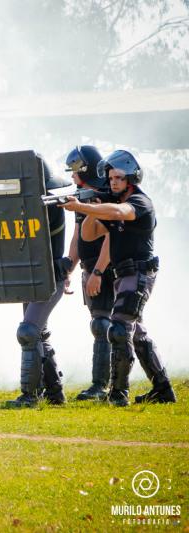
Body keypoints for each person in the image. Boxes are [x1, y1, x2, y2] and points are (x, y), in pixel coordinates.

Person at [61, 149, 176, 406]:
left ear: (131, 179)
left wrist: (81, 205)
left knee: (119, 328)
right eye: (111, 177)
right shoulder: (108, 202)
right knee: (137, 334)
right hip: (124, 274)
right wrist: (88, 209)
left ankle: (118, 393)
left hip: (139, 272)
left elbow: (119, 213)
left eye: (119, 178)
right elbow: (88, 236)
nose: (113, 182)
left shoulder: (140, 202)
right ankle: (163, 389)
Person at [8, 158, 75, 407]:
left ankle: (30, 395)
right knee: (38, 335)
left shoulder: (51, 206)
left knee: (29, 331)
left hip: (50, 278)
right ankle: (55, 394)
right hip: (32, 277)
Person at [63, 146, 115, 401]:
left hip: (105, 269)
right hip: (91, 269)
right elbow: (76, 238)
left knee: (104, 325)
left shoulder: (107, 195)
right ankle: (160, 385)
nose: (72, 177)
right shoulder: (82, 196)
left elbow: (111, 238)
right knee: (110, 326)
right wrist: (68, 269)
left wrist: (98, 271)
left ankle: (102, 386)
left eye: (74, 172)